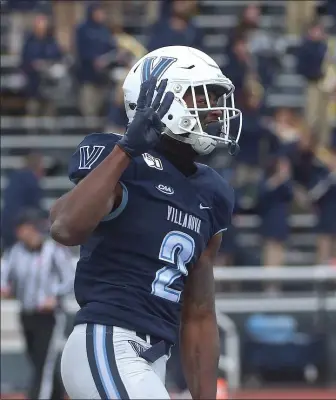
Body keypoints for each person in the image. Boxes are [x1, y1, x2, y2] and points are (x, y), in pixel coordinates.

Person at [50, 45, 243, 399]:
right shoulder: (123, 161)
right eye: (203, 97)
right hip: (108, 340)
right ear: (161, 101)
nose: (216, 110)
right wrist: (126, 149)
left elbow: (198, 312)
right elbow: (65, 227)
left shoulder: (212, 192)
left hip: (155, 355)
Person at [1, 208, 75, 400]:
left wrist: (55, 295)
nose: (30, 232)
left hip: (48, 316)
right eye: (25, 228)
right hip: (26, 313)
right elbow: (4, 275)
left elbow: (69, 278)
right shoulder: (15, 252)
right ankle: (57, 395)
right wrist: (5, 288)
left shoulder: (53, 252)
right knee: (36, 360)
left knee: (44, 364)